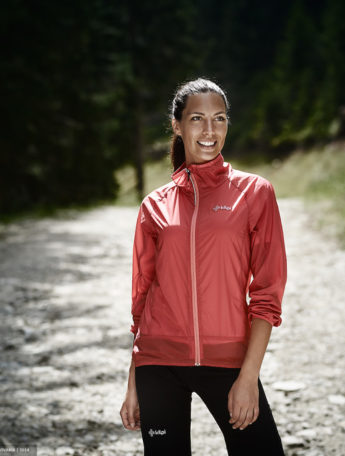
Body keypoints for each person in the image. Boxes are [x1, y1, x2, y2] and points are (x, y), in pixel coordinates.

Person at [119, 78, 287, 455]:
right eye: (197, 119)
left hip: (228, 361)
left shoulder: (255, 192)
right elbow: (143, 300)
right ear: (177, 126)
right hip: (158, 365)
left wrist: (248, 377)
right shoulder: (154, 206)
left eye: (220, 119)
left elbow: (267, 293)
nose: (210, 130)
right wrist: (133, 382)